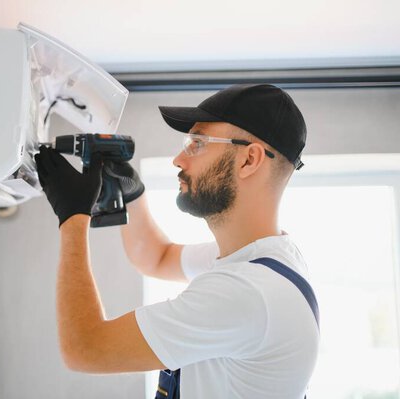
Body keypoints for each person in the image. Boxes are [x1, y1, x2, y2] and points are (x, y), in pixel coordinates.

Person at [34, 83, 320, 399]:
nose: (178, 160)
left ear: (249, 160)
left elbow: (84, 348)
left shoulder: (248, 292)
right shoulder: (263, 260)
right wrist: (132, 192)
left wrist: (72, 216)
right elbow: (156, 257)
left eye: (197, 143)